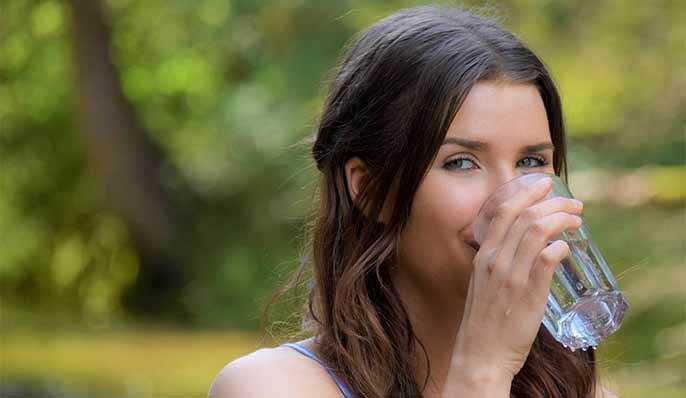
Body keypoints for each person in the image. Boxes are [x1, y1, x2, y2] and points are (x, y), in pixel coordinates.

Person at [209, 5, 617, 398]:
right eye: (460, 163)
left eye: (531, 162)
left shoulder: (578, 391)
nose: (512, 202)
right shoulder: (269, 386)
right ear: (371, 192)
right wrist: (484, 371)